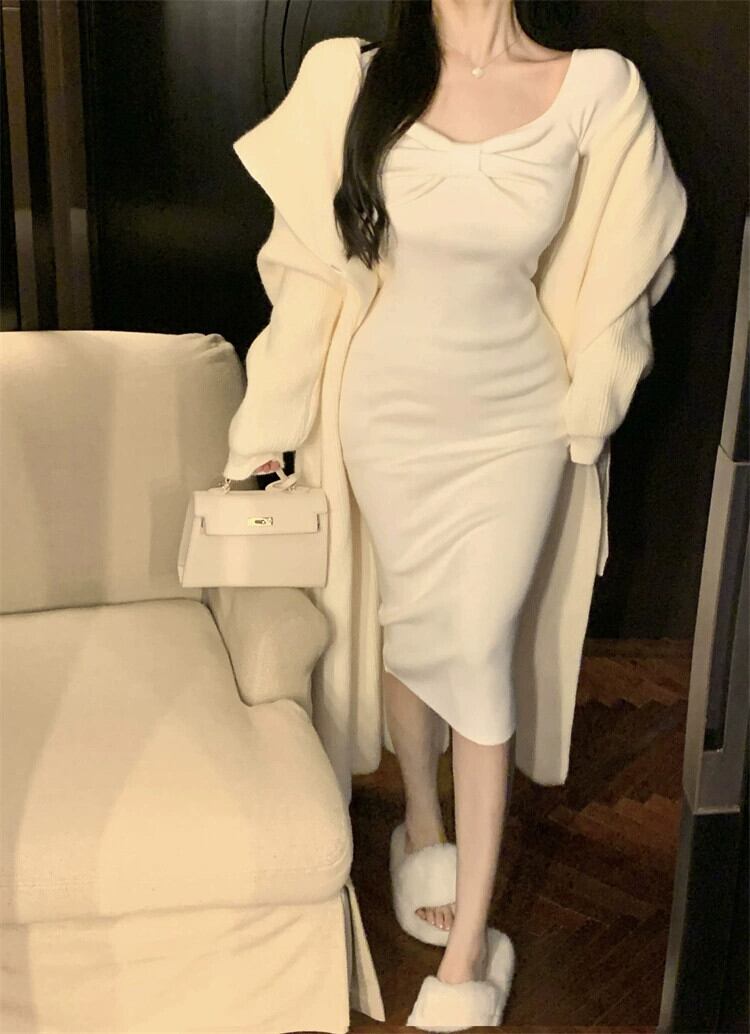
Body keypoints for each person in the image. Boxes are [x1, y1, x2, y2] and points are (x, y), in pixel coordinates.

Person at [229, 0, 687, 1025]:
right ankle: (424, 824)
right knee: (412, 620)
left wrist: (596, 397)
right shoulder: (353, 78)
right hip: (388, 413)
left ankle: (469, 949)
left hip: (519, 420)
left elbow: (629, 266)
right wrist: (267, 424)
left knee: (478, 647)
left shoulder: (598, 88)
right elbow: (305, 272)